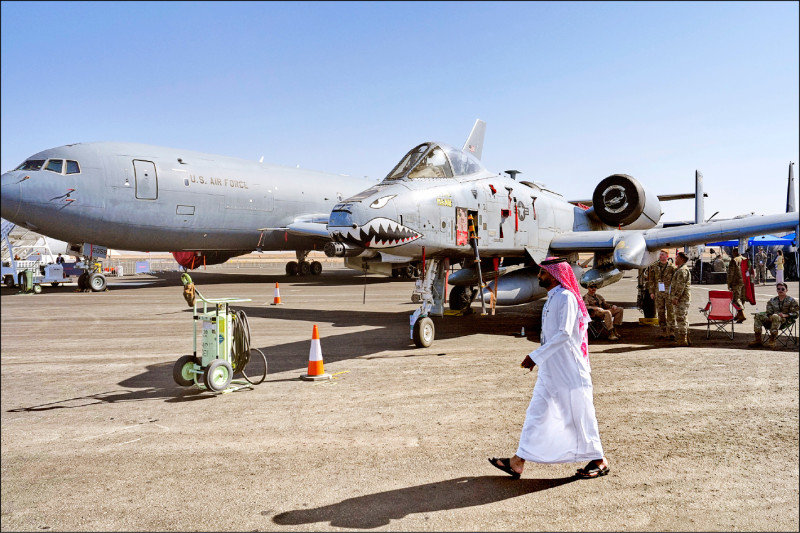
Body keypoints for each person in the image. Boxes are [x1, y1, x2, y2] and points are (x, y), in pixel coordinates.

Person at [488, 257, 609, 480]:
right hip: (550, 369)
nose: (538, 276)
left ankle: (600, 460)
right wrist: (541, 359)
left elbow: (564, 334)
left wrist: (535, 356)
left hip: (569, 370)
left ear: (554, 275)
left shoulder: (566, 298)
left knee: (580, 413)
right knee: (536, 413)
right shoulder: (553, 298)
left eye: (542, 273)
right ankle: (517, 461)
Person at [748, 282, 798, 348]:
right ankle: (758, 340)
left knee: (775, 316)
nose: (780, 291)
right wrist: (769, 316)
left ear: (786, 290)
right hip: (772, 318)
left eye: (783, 289)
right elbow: (769, 312)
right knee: (758, 315)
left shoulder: (791, 301)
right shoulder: (772, 300)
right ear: (776, 290)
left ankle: (772, 339)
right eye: (778, 289)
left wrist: (786, 315)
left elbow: (796, 313)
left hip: (785, 320)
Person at [648, 250, 676, 340]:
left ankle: (671, 331)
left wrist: (674, 293)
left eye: (662, 255)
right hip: (658, 293)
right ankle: (663, 330)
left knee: (670, 312)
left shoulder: (672, 267)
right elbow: (651, 280)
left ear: (667, 256)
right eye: (660, 255)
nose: (660, 256)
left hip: (669, 293)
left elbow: (675, 281)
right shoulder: (654, 266)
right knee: (660, 312)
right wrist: (651, 292)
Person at [670, 251, 692, 346]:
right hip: (683, 298)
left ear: (682, 259)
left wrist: (676, 297)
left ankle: (683, 339)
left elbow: (680, 286)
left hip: (682, 299)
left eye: (677, 257)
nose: (675, 259)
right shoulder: (680, 269)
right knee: (683, 317)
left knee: (680, 318)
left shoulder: (682, 270)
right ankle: (686, 337)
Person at [727, 248, 746, 323]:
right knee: (742, 298)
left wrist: (729, 283)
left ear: (735, 252)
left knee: (736, 299)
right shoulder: (745, 259)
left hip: (736, 282)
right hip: (745, 281)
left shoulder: (734, 260)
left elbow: (730, 274)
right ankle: (738, 314)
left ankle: (741, 314)